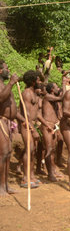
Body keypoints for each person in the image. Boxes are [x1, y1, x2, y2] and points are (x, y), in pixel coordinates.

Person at [18, 70, 48, 188]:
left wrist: (45, 124)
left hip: (33, 124)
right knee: (29, 149)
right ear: (32, 81)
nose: (40, 81)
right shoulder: (26, 93)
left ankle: (31, 175)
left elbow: (37, 113)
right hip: (26, 124)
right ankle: (25, 178)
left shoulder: (34, 93)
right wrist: (32, 128)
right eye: (38, 79)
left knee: (33, 150)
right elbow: (27, 113)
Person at [0, 60, 20, 196]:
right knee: (2, 154)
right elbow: (1, 98)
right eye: (6, 68)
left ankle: (5, 185)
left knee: (7, 154)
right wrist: (11, 82)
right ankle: (0, 186)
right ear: (0, 71)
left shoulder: (4, 85)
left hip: (8, 124)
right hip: (1, 122)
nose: (9, 70)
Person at [41, 82, 63, 182]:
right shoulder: (47, 96)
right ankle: (49, 173)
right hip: (47, 126)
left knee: (53, 149)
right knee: (49, 149)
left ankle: (53, 170)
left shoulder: (53, 99)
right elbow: (61, 98)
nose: (58, 88)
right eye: (56, 87)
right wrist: (64, 83)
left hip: (53, 126)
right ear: (52, 90)